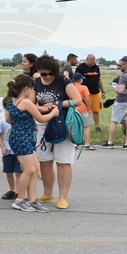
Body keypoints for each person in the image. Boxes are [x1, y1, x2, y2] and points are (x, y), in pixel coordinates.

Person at [5, 74, 60, 212]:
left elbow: (8, 119)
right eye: (31, 89)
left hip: (21, 136)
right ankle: (20, 199)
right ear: (26, 88)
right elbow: (41, 119)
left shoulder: (12, 101)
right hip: (23, 138)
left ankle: (32, 199)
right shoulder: (26, 102)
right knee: (29, 170)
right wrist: (53, 113)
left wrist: (43, 109)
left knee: (35, 169)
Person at [32, 55, 80, 210]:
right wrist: (42, 108)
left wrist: (58, 104)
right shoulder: (36, 82)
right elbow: (32, 103)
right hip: (43, 121)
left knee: (63, 161)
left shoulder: (63, 81)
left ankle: (63, 197)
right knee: (44, 160)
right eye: (43, 73)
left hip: (62, 123)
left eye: (50, 74)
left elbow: (77, 100)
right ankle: (48, 193)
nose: (46, 77)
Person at [105, 57, 127, 148]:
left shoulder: (123, 76)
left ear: (126, 65)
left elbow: (121, 90)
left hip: (121, 102)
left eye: (120, 65)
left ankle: (110, 142)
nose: (119, 67)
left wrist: (114, 87)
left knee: (114, 121)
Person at [0, 114, 21, 201]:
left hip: (19, 151)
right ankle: (12, 190)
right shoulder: (3, 121)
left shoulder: (21, 121)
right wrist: (2, 147)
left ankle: (19, 191)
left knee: (19, 173)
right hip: (8, 152)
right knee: (9, 172)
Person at [76, 54, 103, 132]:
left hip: (96, 92)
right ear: (87, 59)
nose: (93, 61)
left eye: (94, 59)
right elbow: (77, 79)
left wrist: (103, 91)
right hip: (84, 93)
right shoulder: (80, 68)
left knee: (96, 110)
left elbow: (99, 80)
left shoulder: (96, 68)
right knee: (84, 110)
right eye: (92, 59)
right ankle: (82, 126)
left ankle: (97, 127)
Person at [71, 72, 94, 150]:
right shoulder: (84, 87)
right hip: (83, 108)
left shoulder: (70, 87)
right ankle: (87, 144)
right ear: (80, 80)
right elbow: (87, 99)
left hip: (73, 109)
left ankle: (75, 143)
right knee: (86, 126)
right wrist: (89, 108)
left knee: (75, 126)